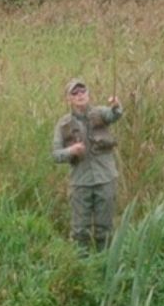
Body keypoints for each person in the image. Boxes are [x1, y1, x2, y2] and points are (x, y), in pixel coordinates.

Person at [51, 77, 123, 249]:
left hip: (105, 180)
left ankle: (105, 265)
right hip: (80, 183)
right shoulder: (63, 125)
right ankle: (82, 267)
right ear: (68, 99)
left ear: (88, 94)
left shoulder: (101, 113)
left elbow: (114, 115)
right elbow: (55, 154)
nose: (79, 95)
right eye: (74, 93)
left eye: (83, 91)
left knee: (104, 230)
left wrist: (116, 106)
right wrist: (71, 151)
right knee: (79, 232)